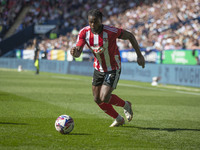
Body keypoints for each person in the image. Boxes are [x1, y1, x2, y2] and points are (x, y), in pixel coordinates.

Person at [70, 9, 145, 127]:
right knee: (97, 99)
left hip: (113, 67)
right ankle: (118, 119)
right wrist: (74, 52)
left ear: (101, 20)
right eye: (90, 22)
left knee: (104, 97)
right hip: (98, 68)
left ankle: (126, 105)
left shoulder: (111, 31)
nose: (93, 25)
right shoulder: (84, 33)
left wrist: (139, 55)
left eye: (95, 22)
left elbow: (130, 36)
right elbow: (78, 52)